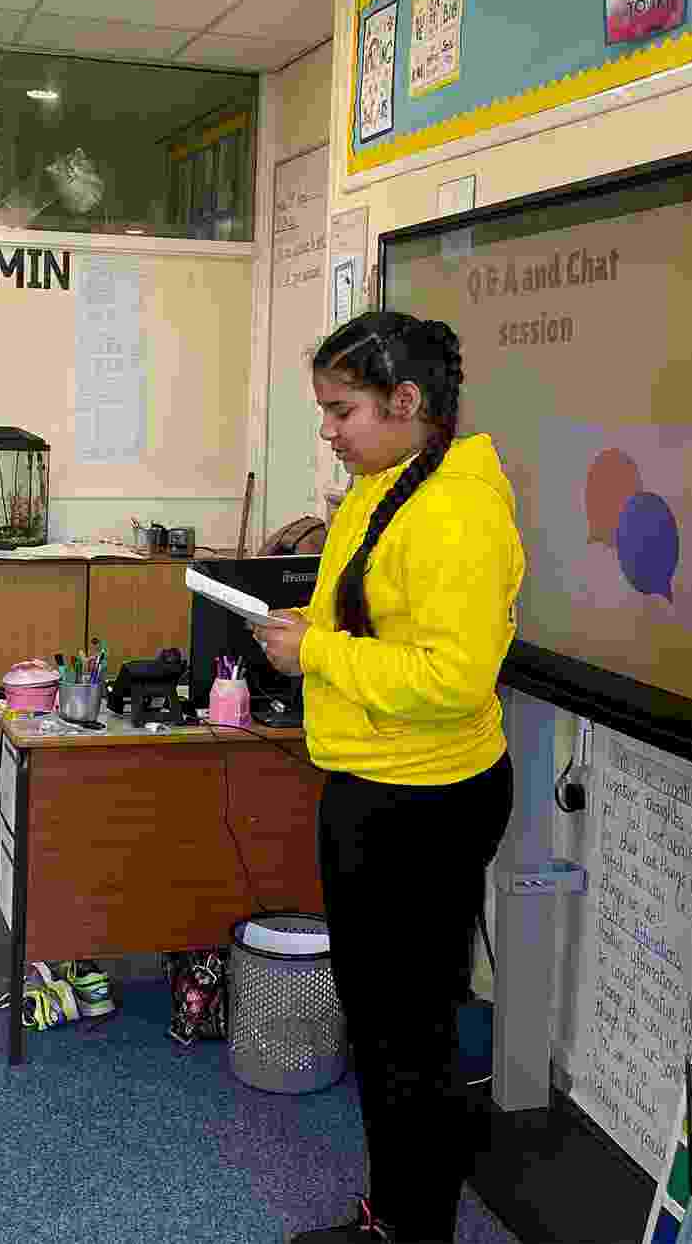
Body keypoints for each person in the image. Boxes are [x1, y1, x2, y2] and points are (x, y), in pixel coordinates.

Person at [252, 311, 523, 1244]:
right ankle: (394, 1215)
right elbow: (369, 622)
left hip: (426, 801)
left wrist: (316, 654)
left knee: (412, 1038)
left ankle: (415, 1230)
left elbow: (452, 680)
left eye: (343, 409)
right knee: (383, 1029)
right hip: (372, 783)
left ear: (407, 403)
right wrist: (308, 633)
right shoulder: (383, 482)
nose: (327, 429)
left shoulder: (458, 512)